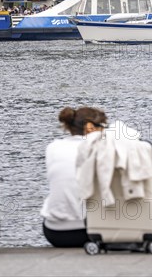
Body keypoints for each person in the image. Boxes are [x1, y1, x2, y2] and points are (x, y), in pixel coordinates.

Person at [40, 106, 107, 247]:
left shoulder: (53, 147)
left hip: (54, 232)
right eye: (102, 126)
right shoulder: (101, 147)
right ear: (90, 127)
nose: (104, 131)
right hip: (91, 231)